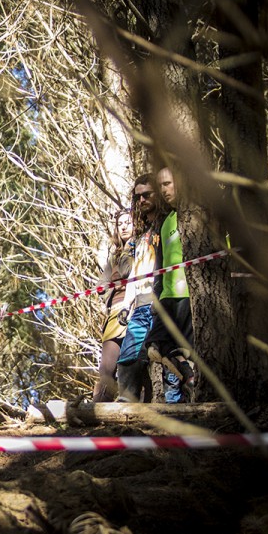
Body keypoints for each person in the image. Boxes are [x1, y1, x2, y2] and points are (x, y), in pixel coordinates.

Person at [144, 167, 196, 404]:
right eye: (161, 186)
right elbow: (160, 265)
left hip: (189, 294)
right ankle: (187, 373)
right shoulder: (166, 222)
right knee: (155, 348)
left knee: (187, 349)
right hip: (167, 296)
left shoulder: (197, 215)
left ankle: (189, 390)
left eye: (168, 184)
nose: (164, 190)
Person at [115, 173, 167, 402]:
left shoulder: (169, 223)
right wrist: (126, 304)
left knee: (165, 355)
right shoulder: (141, 235)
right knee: (128, 355)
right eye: (138, 197)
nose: (142, 200)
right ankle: (126, 404)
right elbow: (134, 273)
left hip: (165, 299)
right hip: (141, 302)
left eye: (147, 194)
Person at [93, 208, 134, 402]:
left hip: (135, 309)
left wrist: (128, 251)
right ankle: (99, 407)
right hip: (113, 313)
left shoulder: (140, 247)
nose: (124, 226)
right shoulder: (114, 255)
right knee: (106, 367)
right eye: (120, 224)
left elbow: (128, 271)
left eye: (128, 222)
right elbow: (102, 285)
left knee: (132, 362)